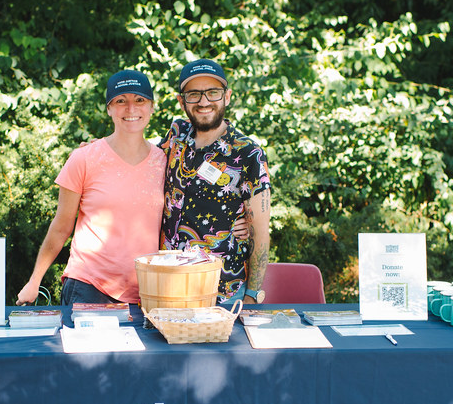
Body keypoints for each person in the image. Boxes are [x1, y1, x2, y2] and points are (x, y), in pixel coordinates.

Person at [15, 69, 166, 306]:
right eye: (120, 101)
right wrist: (34, 281)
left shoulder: (164, 161)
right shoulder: (84, 158)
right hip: (89, 285)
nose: (131, 109)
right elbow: (61, 226)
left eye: (140, 100)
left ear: (151, 107)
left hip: (147, 292)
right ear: (109, 108)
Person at [159, 59, 272, 304]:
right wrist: (100, 148)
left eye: (213, 93)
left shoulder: (248, 153)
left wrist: (252, 295)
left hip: (222, 292)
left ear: (227, 97)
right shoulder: (175, 136)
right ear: (182, 101)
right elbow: (139, 158)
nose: (203, 101)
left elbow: (260, 234)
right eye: (194, 94)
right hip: (168, 286)